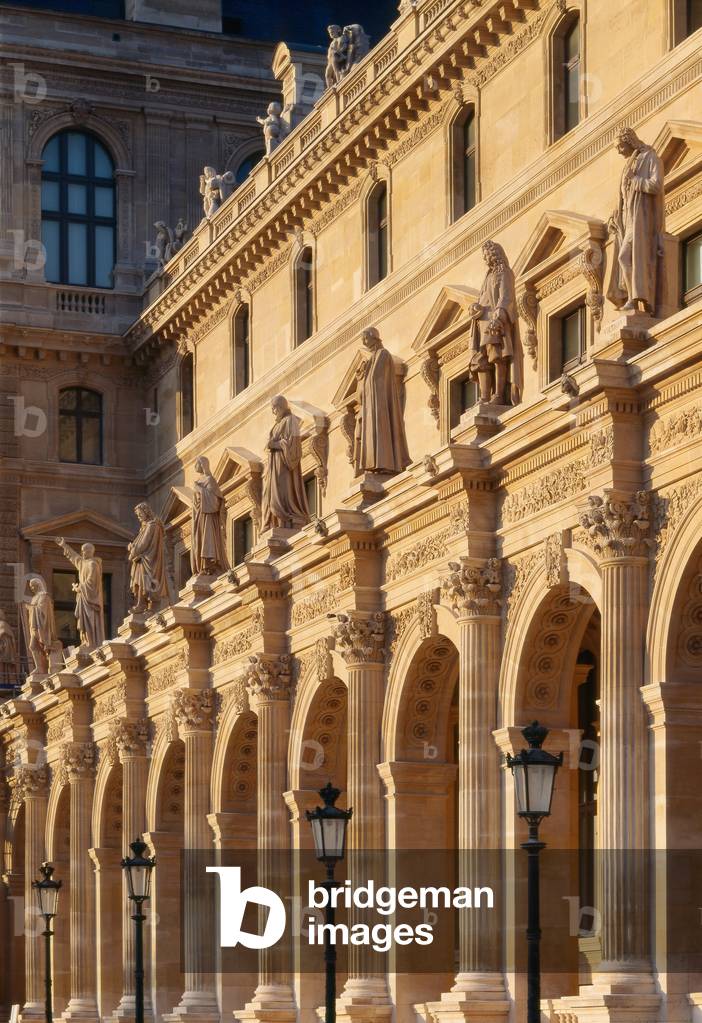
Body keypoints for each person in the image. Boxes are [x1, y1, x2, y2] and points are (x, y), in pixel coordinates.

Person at [607, 126, 664, 315]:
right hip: (627, 220)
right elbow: (624, 196)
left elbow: (656, 185)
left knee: (625, 258)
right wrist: (616, 215)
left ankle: (636, 298)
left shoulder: (650, 157)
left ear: (629, 142)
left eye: (620, 146)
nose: (618, 151)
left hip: (641, 220)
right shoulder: (628, 164)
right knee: (624, 258)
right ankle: (634, 297)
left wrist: (636, 180)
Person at [467, 239, 522, 405]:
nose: (485, 259)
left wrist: (498, 317)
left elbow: (506, 297)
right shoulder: (488, 275)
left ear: (494, 254)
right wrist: (474, 307)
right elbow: (484, 297)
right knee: (479, 360)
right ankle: (484, 397)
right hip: (481, 322)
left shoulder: (504, 272)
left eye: (486, 255)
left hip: (494, 321)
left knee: (497, 357)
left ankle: (498, 395)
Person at [353, 327, 411, 475]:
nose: (364, 342)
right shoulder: (373, 357)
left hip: (379, 404)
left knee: (380, 431)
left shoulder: (382, 354)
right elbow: (367, 385)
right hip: (371, 405)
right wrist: (361, 376)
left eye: (366, 338)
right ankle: (374, 464)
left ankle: (384, 462)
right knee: (372, 434)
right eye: (362, 339)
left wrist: (366, 374)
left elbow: (376, 378)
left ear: (374, 337)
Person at [262, 395, 310, 531]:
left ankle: (285, 517)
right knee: (269, 493)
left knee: (281, 490)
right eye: (272, 409)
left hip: (283, 464)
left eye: (274, 408)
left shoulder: (291, 420)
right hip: (274, 464)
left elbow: (293, 446)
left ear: (281, 406)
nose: (273, 412)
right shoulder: (277, 424)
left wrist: (275, 444)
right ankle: (274, 520)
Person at [55, 537, 105, 649]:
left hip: (90, 599)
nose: (82, 553)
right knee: (83, 621)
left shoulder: (93, 564)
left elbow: (92, 582)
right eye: (82, 551)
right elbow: (74, 557)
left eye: (84, 551)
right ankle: (86, 641)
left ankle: (92, 642)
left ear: (90, 551)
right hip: (83, 597)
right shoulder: (83, 563)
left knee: (89, 620)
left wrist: (80, 588)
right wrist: (64, 545)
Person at [191, 456, 229, 575]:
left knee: (208, 538)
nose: (195, 466)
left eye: (197, 463)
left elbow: (214, 502)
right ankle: (202, 566)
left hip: (208, 516)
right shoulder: (199, 481)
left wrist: (199, 489)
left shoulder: (210, 480)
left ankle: (209, 565)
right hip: (199, 516)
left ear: (202, 464)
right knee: (200, 540)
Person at [128, 502, 169, 612]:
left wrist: (133, 551)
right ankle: (141, 603)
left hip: (148, 559)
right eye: (137, 515)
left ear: (146, 512)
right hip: (143, 559)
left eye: (140, 514)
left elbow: (143, 544)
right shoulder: (145, 527)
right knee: (140, 581)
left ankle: (142, 604)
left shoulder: (151, 526)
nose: (139, 516)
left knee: (143, 580)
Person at [25, 577, 57, 673]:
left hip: (42, 627)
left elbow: (42, 611)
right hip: (34, 626)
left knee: (39, 646)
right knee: (32, 646)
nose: (32, 588)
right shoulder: (34, 598)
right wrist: (31, 608)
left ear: (38, 585)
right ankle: (39, 667)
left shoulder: (44, 596)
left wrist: (31, 608)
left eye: (33, 586)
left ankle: (46, 667)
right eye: (31, 587)